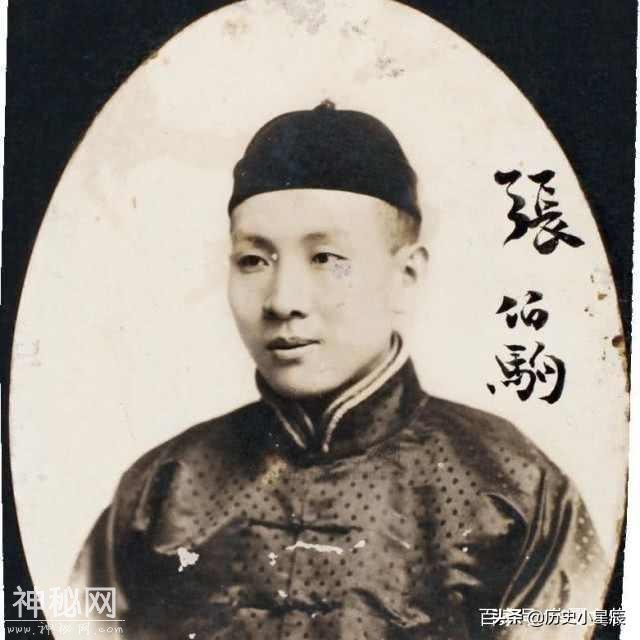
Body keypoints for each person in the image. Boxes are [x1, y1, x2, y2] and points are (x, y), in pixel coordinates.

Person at [70, 100, 610, 639]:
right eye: (254, 260)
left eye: (326, 258)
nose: (283, 300)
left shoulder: (514, 489)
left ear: (406, 277)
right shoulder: (161, 489)